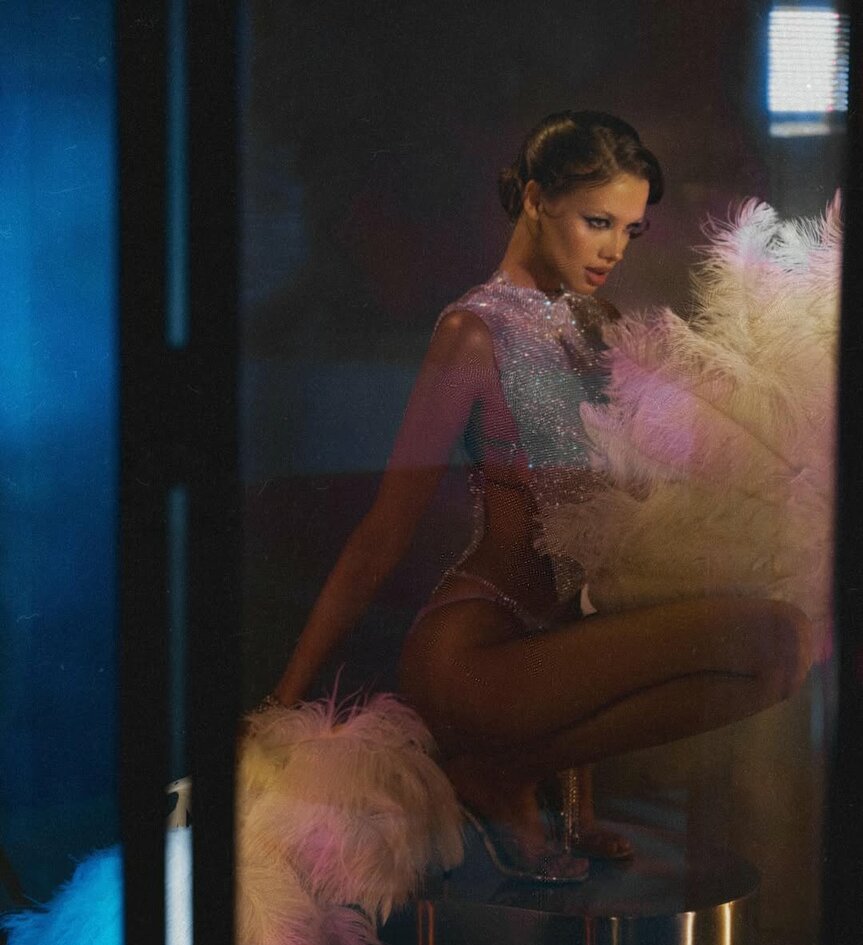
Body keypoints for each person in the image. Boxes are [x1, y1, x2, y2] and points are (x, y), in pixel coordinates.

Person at [271, 111, 812, 882]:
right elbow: (383, 533)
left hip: (556, 648)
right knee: (773, 639)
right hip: (473, 652)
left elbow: (604, 566)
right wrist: (282, 703)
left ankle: (507, 775)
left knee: (781, 650)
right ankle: (499, 773)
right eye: (597, 222)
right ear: (533, 199)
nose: (614, 249)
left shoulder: (603, 326)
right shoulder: (472, 332)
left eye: (630, 230)